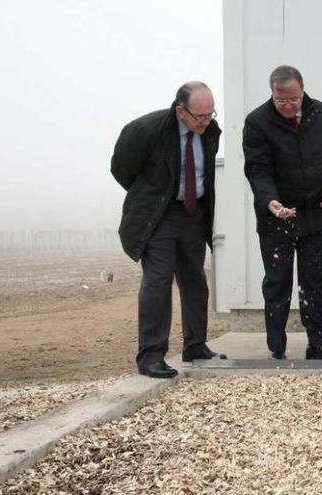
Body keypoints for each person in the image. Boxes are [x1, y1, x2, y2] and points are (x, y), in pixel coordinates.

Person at [111, 81, 226, 379]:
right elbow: (122, 169)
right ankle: (151, 356)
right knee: (158, 282)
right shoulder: (147, 130)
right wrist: (155, 194)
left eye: (210, 114)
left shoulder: (208, 131)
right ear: (180, 110)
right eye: (199, 116)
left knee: (195, 279)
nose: (206, 121)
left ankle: (195, 345)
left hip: (193, 212)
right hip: (159, 214)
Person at [243, 65, 322, 360]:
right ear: (272, 93)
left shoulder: (319, 113)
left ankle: (317, 344)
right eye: (281, 100)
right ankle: (277, 346)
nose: (288, 106)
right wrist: (270, 201)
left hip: (316, 214)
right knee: (278, 281)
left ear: (302, 91)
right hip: (278, 217)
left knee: (314, 280)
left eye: (293, 99)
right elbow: (257, 169)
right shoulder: (257, 122)